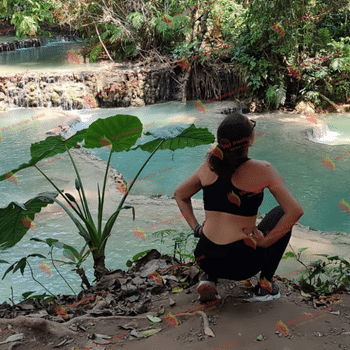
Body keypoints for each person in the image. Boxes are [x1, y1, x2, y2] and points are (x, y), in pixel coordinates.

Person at [173, 113, 304, 302]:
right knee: (281, 213)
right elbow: (295, 211)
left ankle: (209, 278)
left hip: (205, 257)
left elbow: (180, 194)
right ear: (249, 141)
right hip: (242, 264)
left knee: (216, 237)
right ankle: (265, 286)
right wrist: (265, 242)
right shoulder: (263, 169)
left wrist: (196, 228)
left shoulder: (209, 165)